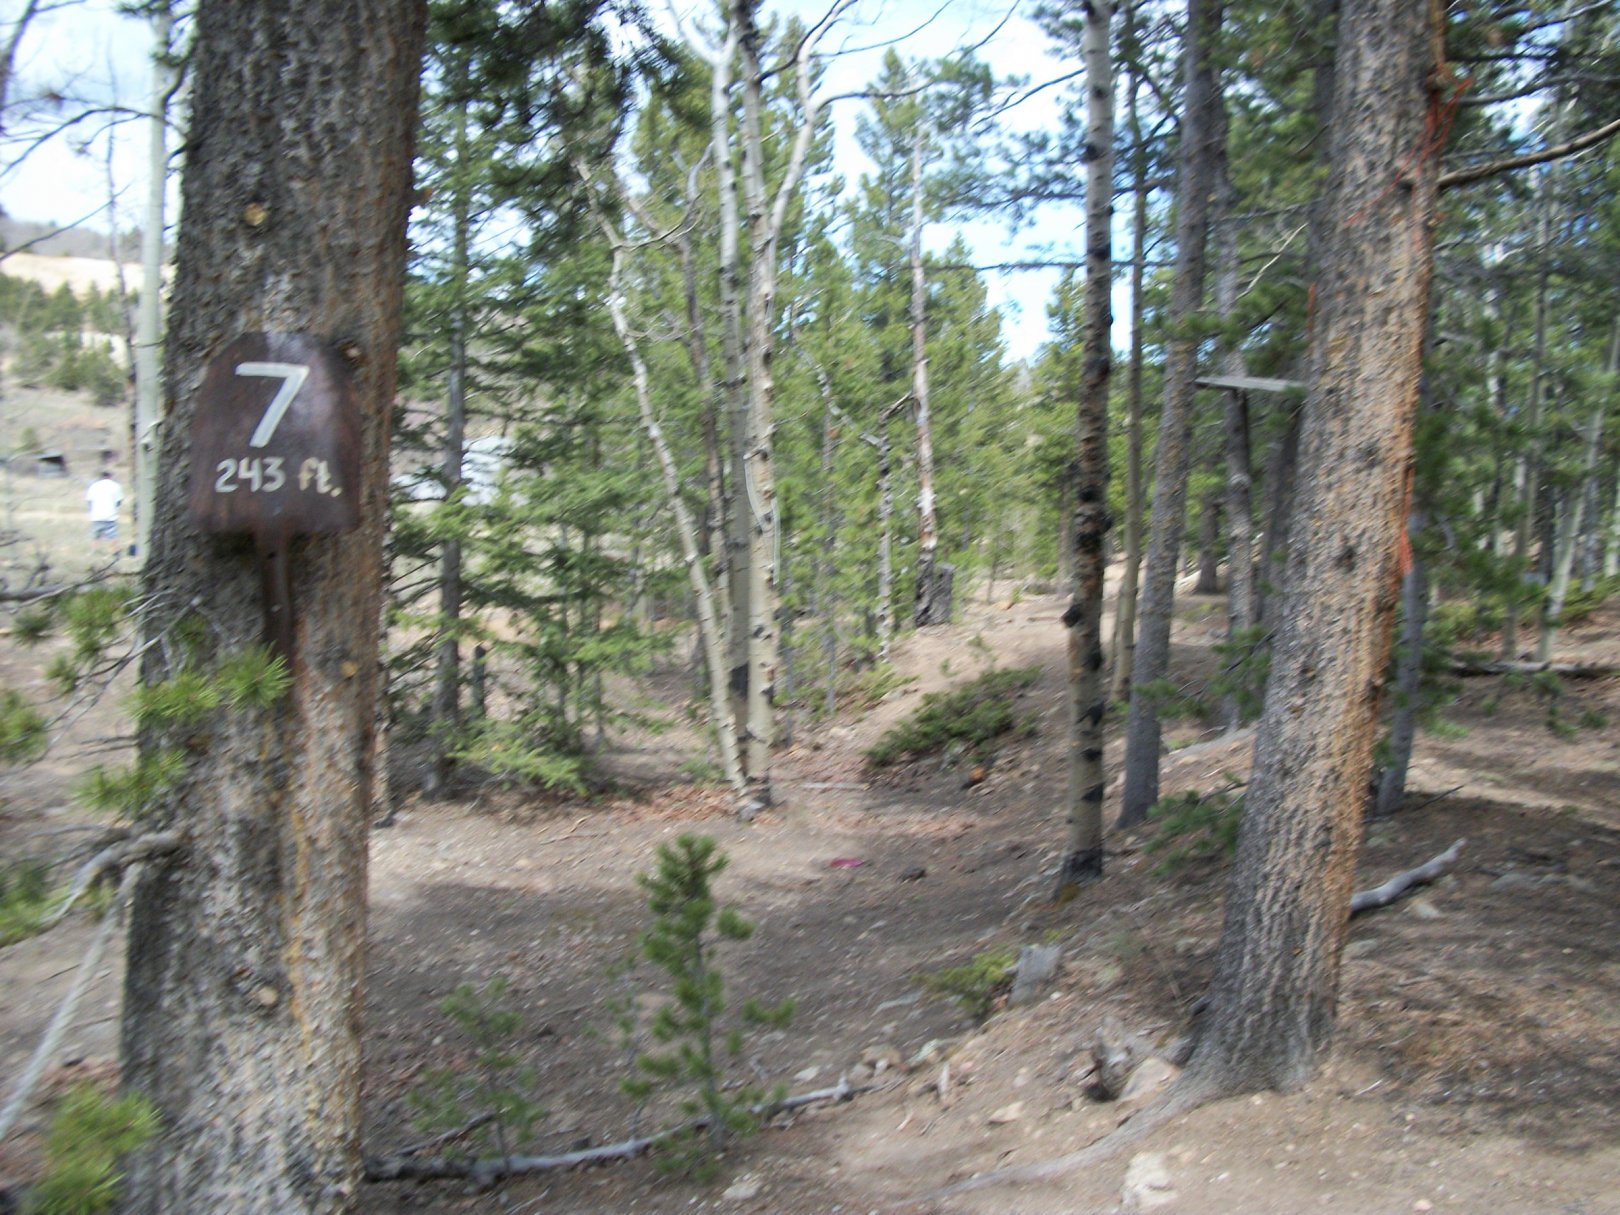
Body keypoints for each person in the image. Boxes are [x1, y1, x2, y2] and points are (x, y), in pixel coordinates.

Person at [87, 470, 123, 550]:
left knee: (95, 535)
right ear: (110, 477)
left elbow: (89, 501)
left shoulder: (94, 486)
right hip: (110, 515)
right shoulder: (116, 486)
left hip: (96, 515)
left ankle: (95, 550)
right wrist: (116, 509)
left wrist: (91, 511)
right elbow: (119, 501)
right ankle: (115, 551)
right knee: (113, 535)